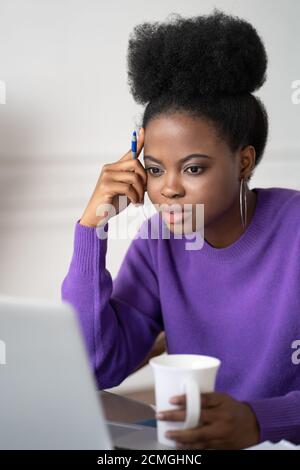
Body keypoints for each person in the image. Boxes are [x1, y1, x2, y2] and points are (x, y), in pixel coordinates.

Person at [61, 9, 300, 449]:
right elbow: (95, 366)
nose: (168, 189)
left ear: (243, 161)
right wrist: (91, 229)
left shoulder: (295, 228)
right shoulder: (160, 244)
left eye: (193, 168)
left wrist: (262, 420)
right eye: (154, 169)